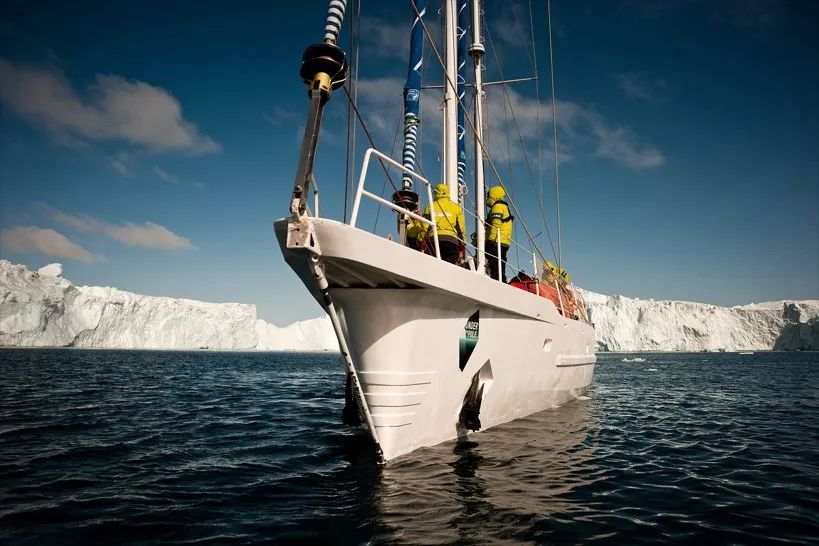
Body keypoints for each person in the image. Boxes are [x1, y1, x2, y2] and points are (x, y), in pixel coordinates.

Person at [423, 183, 465, 264]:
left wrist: (421, 240)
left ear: (435, 192)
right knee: (449, 266)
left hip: (433, 240)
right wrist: (463, 245)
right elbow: (461, 229)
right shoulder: (457, 208)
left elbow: (425, 226)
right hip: (451, 241)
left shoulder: (429, 207)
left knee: (431, 265)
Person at [485, 185, 513, 282]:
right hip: (504, 241)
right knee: (500, 262)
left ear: (494, 195)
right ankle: (501, 279)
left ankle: (497, 280)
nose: (487, 197)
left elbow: (496, 224)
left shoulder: (497, 207)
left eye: (488, 195)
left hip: (496, 240)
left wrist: (489, 241)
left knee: (495, 262)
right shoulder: (503, 206)